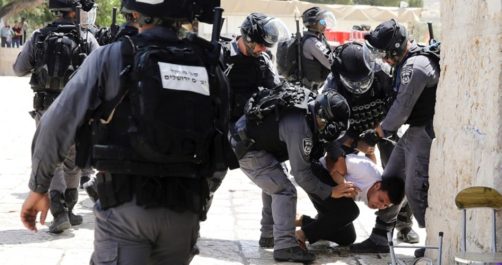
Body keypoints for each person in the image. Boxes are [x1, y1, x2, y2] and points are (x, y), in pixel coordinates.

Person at [20, 0, 234, 264]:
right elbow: (222, 142)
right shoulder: (209, 62)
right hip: (185, 210)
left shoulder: (112, 56)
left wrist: (39, 187)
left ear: (134, 13)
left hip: (125, 209)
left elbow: (56, 124)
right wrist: (200, 198)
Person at [350, 19, 440, 257]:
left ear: (395, 47)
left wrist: (379, 133)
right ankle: (381, 236)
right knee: (390, 178)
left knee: (413, 187)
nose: (382, 58)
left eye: (384, 53)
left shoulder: (416, 66)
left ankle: (433, 241)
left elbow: (402, 107)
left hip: (425, 130)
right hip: (414, 129)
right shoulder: (405, 62)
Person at [231, 88, 354, 262]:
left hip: (255, 140)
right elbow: (302, 174)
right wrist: (329, 192)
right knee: (284, 190)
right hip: (249, 149)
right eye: (332, 126)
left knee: (274, 181)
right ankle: (285, 246)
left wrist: (338, 154)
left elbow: (326, 136)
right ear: (323, 117)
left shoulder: (313, 105)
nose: (333, 131)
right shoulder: (300, 128)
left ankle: (268, 234)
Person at [13, 0, 99, 234]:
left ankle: (60, 212)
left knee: (52, 158)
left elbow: (19, 68)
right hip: (77, 110)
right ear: (74, 12)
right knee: (72, 159)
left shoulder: (39, 36)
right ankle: (67, 210)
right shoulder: (86, 38)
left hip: (46, 108)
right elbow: (99, 72)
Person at [324, 41, 420, 243]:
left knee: (401, 175)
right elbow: (327, 128)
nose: (360, 86)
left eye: (364, 80)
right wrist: (353, 145)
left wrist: (380, 132)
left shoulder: (384, 74)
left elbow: (398, 106)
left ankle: (402, 224)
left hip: (383, 128)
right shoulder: (331, 87)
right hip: (348, 134)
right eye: (354, 82)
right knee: (332, 171)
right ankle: (327, 217)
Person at [295, 153, 405, 247]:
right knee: (351, 211)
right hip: (316, 175)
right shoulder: (364, 170)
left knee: (347, 237)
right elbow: (331, 159)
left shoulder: (375, 189)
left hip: (331, 193)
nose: (380, 206)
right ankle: (301, 235)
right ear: (377, 186)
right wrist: (342, 183)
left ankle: (300, 220)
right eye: (381, 200)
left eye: (385, 206)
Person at [223, 12, 287, 124]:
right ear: (248, 39)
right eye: (261, 45)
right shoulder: (223, 55)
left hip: (249, 122)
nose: (264, 49)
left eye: (266, 46)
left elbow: (275, 88)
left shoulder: (264, 60)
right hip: (223, 122)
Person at [300, 7, 336, 91]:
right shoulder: (312, 42)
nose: (325, 24)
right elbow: (331, 63)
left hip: (317, 86)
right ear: (313, 23)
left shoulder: (317, 38)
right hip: (312, 89)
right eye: (322, 21)